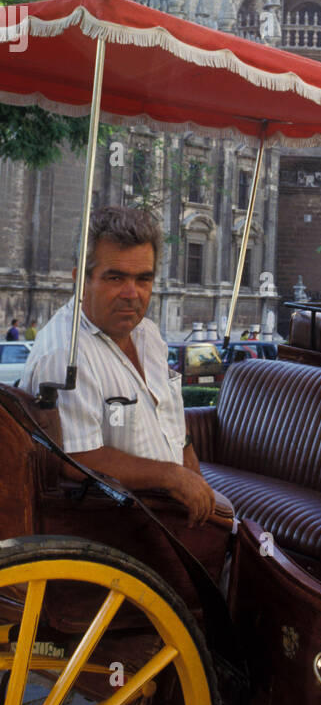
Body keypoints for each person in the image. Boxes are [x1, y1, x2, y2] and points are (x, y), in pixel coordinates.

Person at [21, 206, 215, 527]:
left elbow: (172, 425)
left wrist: (194, 477)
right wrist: (171, 476)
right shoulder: (64, 353)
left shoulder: (148, 334)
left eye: (143, 279)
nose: (132, 294)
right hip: (121, 527)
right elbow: (76, 458)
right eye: (115, 278)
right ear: (80, 281)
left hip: (173, 518)